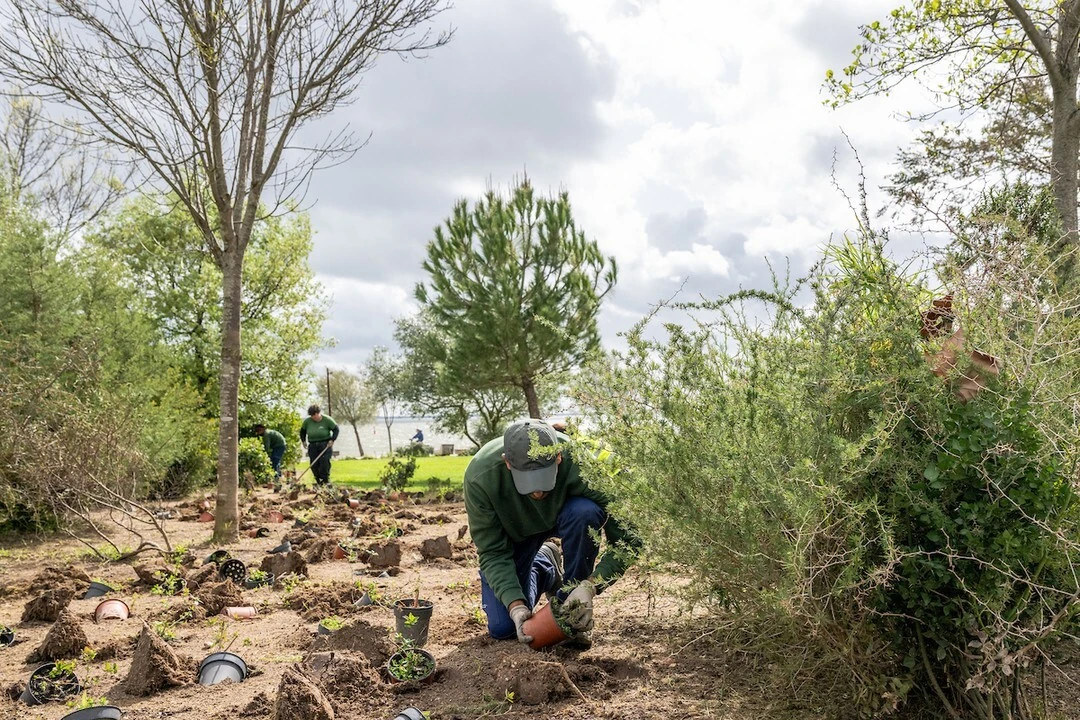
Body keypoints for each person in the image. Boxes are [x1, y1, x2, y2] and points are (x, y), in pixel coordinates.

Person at [463, 418, 637, 649]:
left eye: (544, 479)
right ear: (507, 463)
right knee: (503, 628)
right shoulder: (480, 479)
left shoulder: (583, 463)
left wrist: (590, 586)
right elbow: (493, 552)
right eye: (527, 481)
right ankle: (545, 564)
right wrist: (516, 606)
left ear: (558, 457)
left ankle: (570, 604)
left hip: (568, 518)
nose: (537, 492)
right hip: (517, 535)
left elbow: (629, 539)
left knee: (584, 512)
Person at [299, 404, 339, 486]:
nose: (313, 417)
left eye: (315, 415)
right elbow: (302, 431)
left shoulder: (327, 420)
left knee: (324, 463)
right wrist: (303, 441)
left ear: (318, 413)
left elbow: (336, 429)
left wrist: (332, 440)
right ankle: (318, 481)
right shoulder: (307, 421)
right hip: (313, 445)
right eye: (311, 415)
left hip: (325, 444)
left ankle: (325, 481)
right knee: (314, 464)